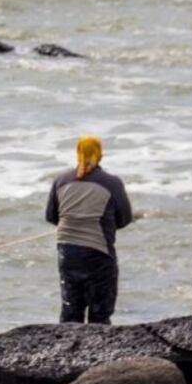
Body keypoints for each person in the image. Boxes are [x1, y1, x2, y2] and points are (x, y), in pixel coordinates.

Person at [45, 136, 132, 324]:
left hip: (67, 252)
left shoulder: (60, 180)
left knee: (70, 312)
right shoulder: (112, 182)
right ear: (100, 154)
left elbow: (51, 217)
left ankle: (67, 351)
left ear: (78, 153)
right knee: (100, 314)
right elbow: (125, 219)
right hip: (99, 252)